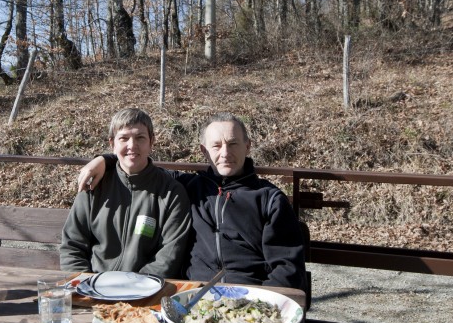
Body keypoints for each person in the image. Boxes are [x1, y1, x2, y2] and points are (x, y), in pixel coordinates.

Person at [78, 112, 306, 288]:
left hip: (252, 296)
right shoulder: (189, 186)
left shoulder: (269, 198)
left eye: (233, 143)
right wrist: (104, 160)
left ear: (248, 146)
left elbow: (286, 268)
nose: (225, 153)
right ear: (204, 151)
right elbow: (137, 167)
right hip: (195, 296)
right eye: (216, 145)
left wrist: (265, 307)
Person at [59, 108, 192, 278]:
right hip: (93, 285)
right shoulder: (95, 186)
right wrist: (84, 282)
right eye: (123, 138)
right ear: (112, 144)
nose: (132, 145)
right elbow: (72, 245)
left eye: (140, 138)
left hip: (145, 288)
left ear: (152, 142)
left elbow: (169, 257)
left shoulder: (171, 193)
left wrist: (134, 286)